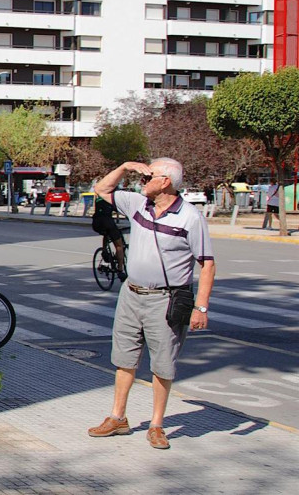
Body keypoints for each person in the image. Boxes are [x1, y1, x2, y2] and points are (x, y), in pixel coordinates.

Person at [89, 158, 215, 450]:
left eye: (149, 176)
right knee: (124, 359)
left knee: (162, 365)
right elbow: (102, 188)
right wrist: (125, 166)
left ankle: (157, 425)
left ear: (166, 182)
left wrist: (202, 307)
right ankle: (117, 417)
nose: (142, 181)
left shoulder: (190, 218)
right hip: (131, 294)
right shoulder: (137, 204)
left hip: (166, 300)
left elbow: (207, 264)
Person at [90, 197, 127, 280]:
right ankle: (120, 270)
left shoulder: (98, 198)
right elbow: (121, 210)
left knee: (106, 233)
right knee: (119, 246)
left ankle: (105, 251)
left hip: (96, 223)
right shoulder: (112, 198)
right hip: (107, 222)